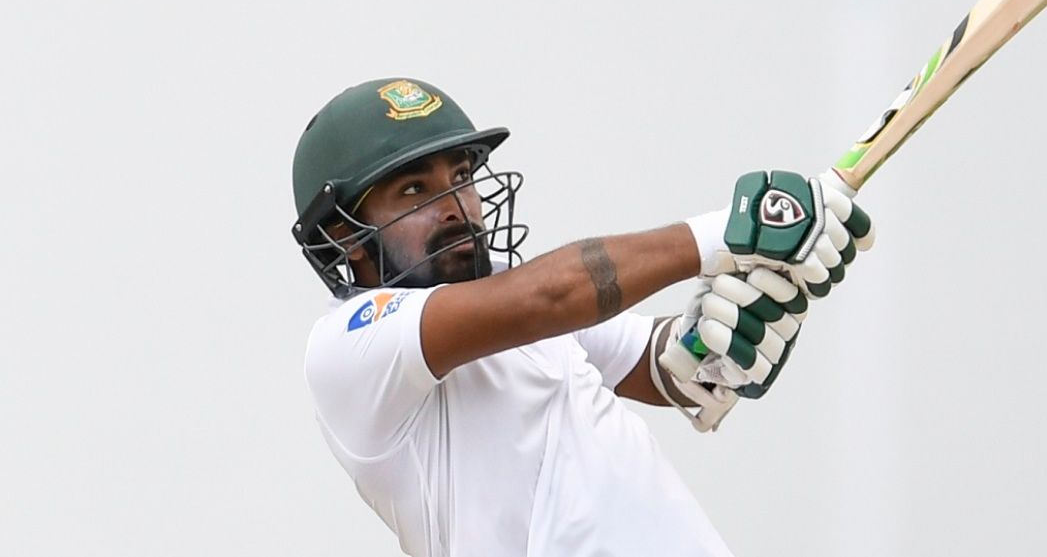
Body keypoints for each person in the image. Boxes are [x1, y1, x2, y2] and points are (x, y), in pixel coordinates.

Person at [290, 78, 874, 557]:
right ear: (346, 237)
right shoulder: (349, 344)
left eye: (461, 177)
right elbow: (553, 295)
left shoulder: (512, 303)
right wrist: (735, 231)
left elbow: (658, 365)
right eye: (415, 189)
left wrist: (718, 336)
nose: (455, 207)